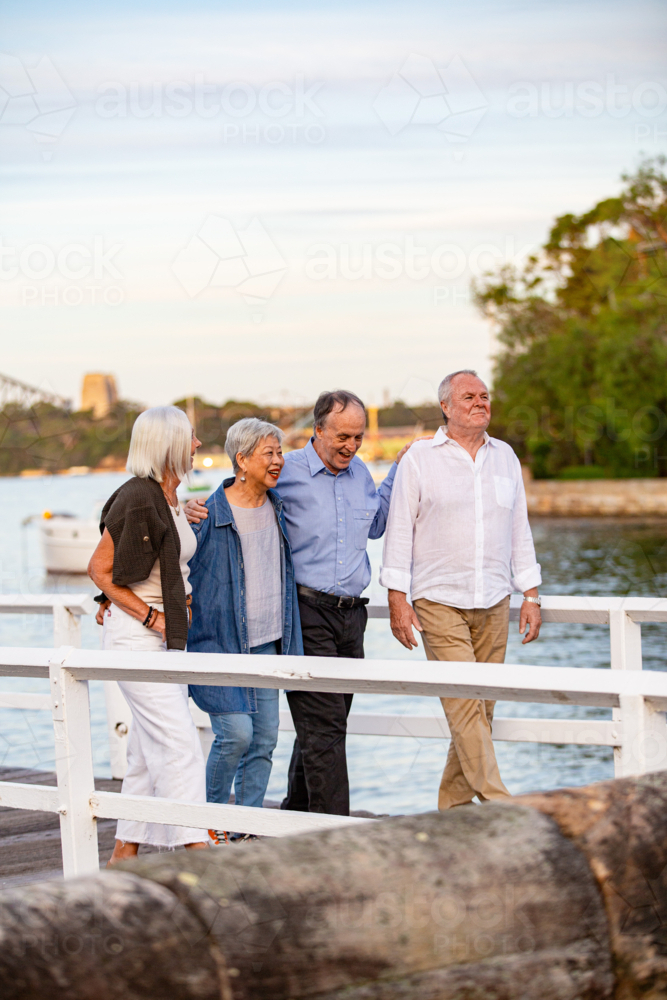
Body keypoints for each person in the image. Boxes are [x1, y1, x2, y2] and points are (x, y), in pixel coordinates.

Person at [186, 389, 414, 817]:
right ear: (319, 430)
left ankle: (294, 810)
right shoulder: (283, 470)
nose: (351, 446)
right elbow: (240, 491)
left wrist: (399, 470)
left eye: (358, 437)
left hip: (352, 618)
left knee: (324, 727)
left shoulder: (362, 473)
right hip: (306, 614)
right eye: (342, 436)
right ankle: (331, 831)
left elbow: (378, 526)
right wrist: (191, 508)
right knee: (324, 728)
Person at [380, 370, 542, 810]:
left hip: (494, 598)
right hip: (438, 599)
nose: (480, 402)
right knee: (464, 706)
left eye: (485, 396)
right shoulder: (419, 459)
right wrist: (397, 596)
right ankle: (501, 802)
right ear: (446, 407)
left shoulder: (505, 456)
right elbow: (399, 530)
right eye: (469, 396)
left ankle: (451, 810)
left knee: (480, 709)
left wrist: (530, 592)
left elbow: (518, 528)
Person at [88, 405, 208, 863]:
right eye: (190, 438)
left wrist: (184, 514)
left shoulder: (169, 496)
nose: (197, 445)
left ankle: (125, 850)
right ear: (170, 444)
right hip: (139, 641)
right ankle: (195, 847)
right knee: (179, 742)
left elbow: (153, 559)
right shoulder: (139, 496)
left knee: (144, 748)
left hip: (163, 642)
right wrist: (148, 617)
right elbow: (101, 570)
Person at [186, 418, 303, 844]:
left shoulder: (280, 508)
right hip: (218, 645)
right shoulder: (204, 514)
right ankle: (210, 823)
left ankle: (247, 829)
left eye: (279, 453)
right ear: (242, 460)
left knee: (265, 740)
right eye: (269, 454)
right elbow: (161, 559)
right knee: (235, 734)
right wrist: (110, 600)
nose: (278, 461)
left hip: (271, 642)